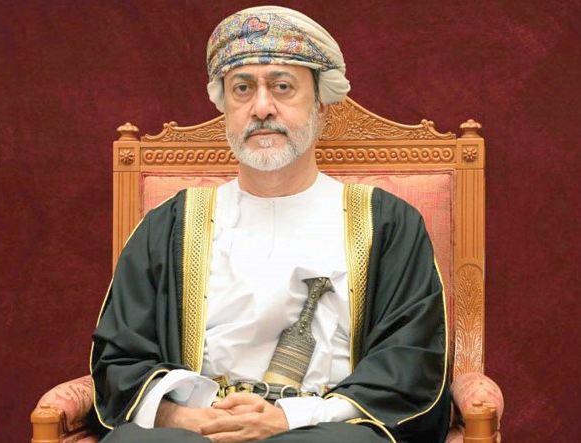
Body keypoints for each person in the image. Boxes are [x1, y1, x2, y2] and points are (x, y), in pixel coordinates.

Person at [90, 6, 450, 443]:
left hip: (322, 427)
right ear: (225, 108)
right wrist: (184, 418)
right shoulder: (171, 225)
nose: (261, 108)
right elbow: (119, 360)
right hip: (200, 429)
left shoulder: (387, 224)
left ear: (321, 105)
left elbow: (410, 363)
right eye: (242, 88)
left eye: (282, 87)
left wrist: (287, 418)